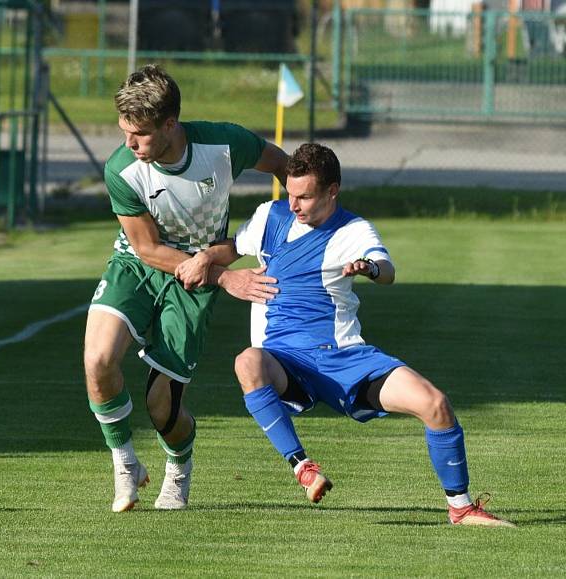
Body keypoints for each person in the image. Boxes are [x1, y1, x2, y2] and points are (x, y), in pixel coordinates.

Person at [175, 143, 514, 527]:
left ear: (332, 191)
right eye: (290, 193)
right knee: (246, 361)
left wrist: (368, 268)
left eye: (304, 196)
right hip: (284, 361)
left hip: (345, 359)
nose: (295, 205)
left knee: (435, 404)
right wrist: (205, 258)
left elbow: (387, 270)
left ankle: (462, 507)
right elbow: (233, 248)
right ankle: (303, 468)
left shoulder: (353, 230)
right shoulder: (271, 216)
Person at [85, 64, 286, 512]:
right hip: (138, 265)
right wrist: (225, 275)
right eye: (123, 132)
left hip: (193, 283)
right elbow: (148, 248)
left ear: (170, 124)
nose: (128, 144)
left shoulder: (223, 143)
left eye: (138, 135)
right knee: (98, 360)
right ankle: (125, 464)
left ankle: (178, 468)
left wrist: (301, 223)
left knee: (162, 409)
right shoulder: (122, 169)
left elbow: (285, 167)